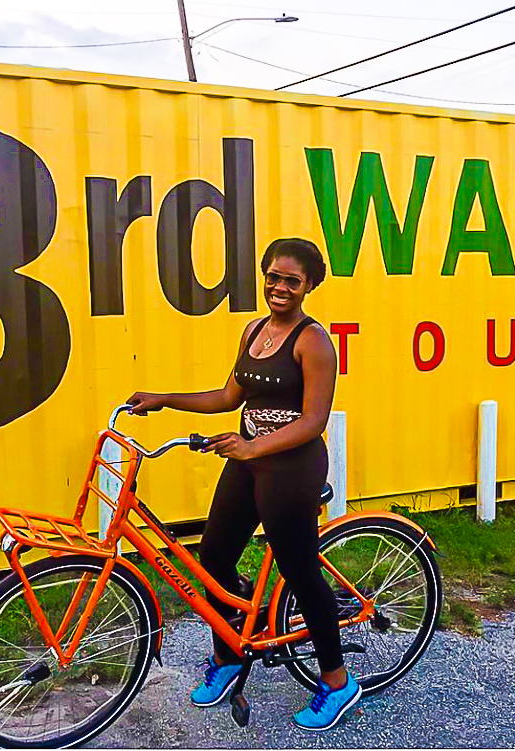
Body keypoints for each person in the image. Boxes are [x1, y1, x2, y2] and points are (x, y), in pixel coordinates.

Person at [127, 237, 361, 731]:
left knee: (300, 572)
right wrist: (165, 398)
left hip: (291, 468)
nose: (279, 287)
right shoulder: (254, 330)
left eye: (291, 281)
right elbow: (229, 395)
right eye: (272, 276)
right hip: (247, 457)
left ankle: (338, 683)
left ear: (310, 286)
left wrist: (254, 447)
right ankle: (231, 654)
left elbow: (314, 420)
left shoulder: (313, 341)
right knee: (213, 559)